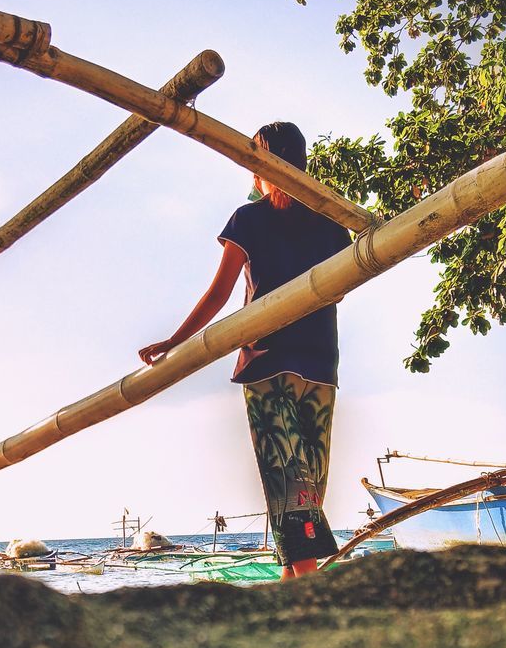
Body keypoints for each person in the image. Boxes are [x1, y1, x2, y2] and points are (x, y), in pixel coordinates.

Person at [139, 121, 350, 580]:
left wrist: (175, 339)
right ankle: (300, 585)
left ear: (262, 167)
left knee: (295, 482)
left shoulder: (257, 218)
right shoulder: (328, 220)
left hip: (274, 361)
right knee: (303, 483)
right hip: (313, 360)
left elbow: (219, 295)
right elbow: (339, 291)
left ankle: (303, 586)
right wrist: (176, 341)